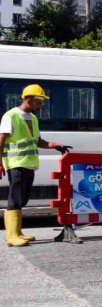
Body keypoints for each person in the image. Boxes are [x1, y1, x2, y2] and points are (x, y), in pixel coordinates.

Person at [0, 85, 67, 247]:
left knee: (23, 198)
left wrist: (53, 145)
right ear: (29, 99)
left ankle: (18, 232)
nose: (41, 105)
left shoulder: (33, 118)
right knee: (15, 197)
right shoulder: (11, 115)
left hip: (30, 164)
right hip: (15, 163)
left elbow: (36, 140)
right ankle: (11, 235)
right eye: (39, 101)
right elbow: (1, 139)